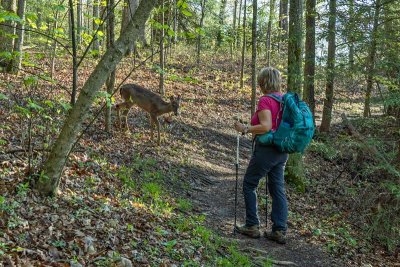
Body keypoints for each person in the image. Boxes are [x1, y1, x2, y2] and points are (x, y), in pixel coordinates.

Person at [233, 66, 289, 244]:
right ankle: (279, 230)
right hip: (282, 149)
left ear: (263, 82)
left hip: (267, 150)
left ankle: (252, 225)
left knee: (249, 183)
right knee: (277, 189)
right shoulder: (284, 100)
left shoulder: (265, 100)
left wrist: (245, 129)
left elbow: (266, 126)